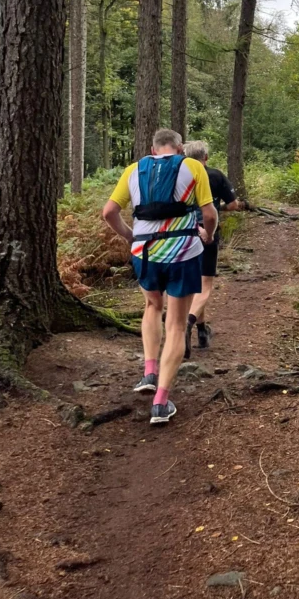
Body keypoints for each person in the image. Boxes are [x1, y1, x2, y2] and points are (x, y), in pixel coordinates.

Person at [102, 128, 218, 426]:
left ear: (153, 150)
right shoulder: (193, 166)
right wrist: (208, 236)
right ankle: (160, 403)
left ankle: (149, 372)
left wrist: (131, 236)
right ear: (180, 148)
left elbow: (109, 212)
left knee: (152, 306)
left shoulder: (133, 169)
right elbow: (210, 214)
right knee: (177, 325)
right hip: (183, 252)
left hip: (146, 252)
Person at [182, 140, 245, 359]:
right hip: (206, 233)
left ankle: (201, 331)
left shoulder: (180, 176)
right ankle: (188, 323)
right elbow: (234, 204)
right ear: (205, 157)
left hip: (181, 234)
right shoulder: (216, 176)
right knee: (205, 285)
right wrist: (217, 208)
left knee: (192, 284)